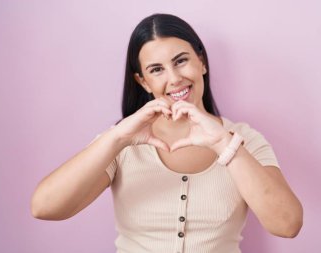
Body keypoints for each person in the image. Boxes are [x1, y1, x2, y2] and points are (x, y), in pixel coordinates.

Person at [31, 13, 303, 253]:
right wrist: (116, 138)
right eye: (157, 69)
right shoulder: (123, 141)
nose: (174, 78)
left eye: (181, 61)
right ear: (143, 81)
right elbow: (44, 207)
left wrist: (223, 144)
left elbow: (287, 224)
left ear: (202, 63)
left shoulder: (244, 139)